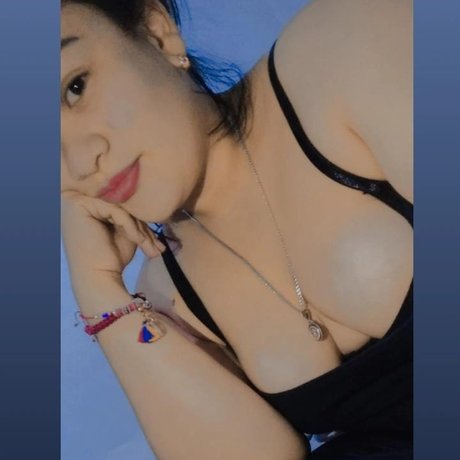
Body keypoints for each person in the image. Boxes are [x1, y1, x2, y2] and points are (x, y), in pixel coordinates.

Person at [61, 0, 413, 458]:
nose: (79, 160)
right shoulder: (167, 301)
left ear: (157, 32)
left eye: (75, 87)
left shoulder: (340, 51)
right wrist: (99, 295)